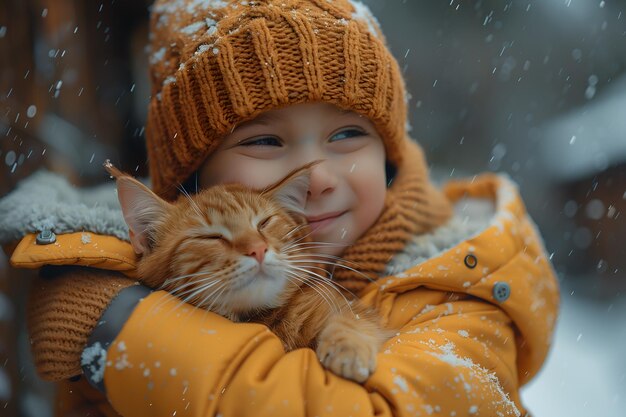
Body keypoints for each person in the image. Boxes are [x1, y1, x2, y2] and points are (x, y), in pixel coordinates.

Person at [2, 0, 560, 416]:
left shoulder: (465, 284)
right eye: (266, 142)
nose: (316, 178)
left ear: (388, 155)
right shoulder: (145, 258)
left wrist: (127, 334)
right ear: (193, 179)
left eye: (346, 134)